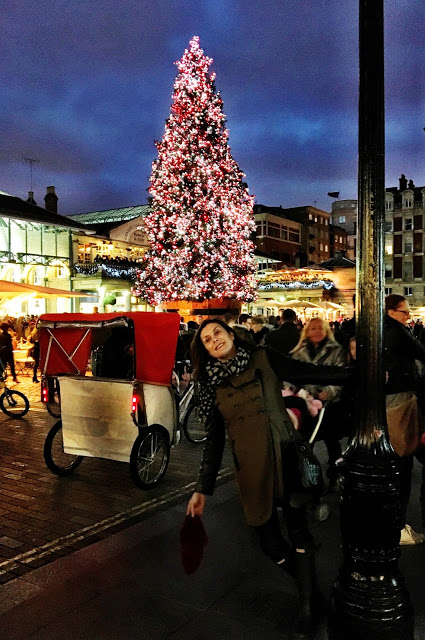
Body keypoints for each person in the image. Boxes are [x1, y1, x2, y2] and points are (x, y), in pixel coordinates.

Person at [186, 318, 350, 637]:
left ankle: (307, 608)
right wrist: (202, 488)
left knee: (299, 532)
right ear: (205, 349)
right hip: (251, 468)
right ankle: (314, 594)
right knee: (270, 542)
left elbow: (310, 373)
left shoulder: (265, 358)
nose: (214, 340)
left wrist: (357, 373)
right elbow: (215, 439)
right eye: (206, 340)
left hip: (286, 456)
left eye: (217, 332)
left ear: (231, 334)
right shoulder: (210, 384)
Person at [384, 294, 425, 545]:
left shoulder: (381, 330)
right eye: (404, 312)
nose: (408, 316)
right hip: (398, 401)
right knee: (402, 461)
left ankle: (392, 523)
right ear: (391, 312)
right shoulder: (398, 332)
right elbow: (421, 351)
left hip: (386, 400)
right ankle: (397, 527)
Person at [289, 317, 347, 490]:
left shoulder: (336, 351)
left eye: (320, 328)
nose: (316, 331)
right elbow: (290, 376)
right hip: (306, 405)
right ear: (306, 331)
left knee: (332, 443)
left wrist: (330, 391)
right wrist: (296, 392)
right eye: (312, 328)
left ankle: (335, 475)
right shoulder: (298, 352)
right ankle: (309, 478)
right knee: (307, 443)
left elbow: (341, 375)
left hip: (328, 407)